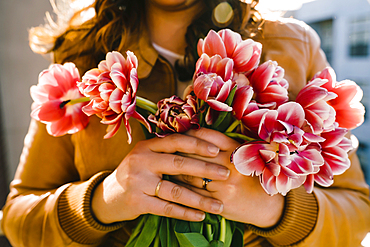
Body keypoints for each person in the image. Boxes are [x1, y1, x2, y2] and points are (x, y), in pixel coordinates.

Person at [2, 0, 370, 246]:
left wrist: (274, 210)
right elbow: (17, 217)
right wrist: (103, 199)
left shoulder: (294, 44)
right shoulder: (81, 53)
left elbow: (356, 211)